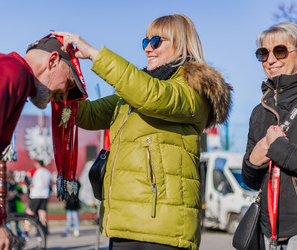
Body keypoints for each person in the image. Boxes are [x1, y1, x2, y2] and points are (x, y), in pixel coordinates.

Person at [52, 13, 232, 250]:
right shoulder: (134, 90)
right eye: (144, 42)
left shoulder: (194, 89)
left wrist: (94, 54)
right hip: (124, 223)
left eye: (156, 41)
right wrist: (62, 82)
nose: (148, 49)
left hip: (163, 229)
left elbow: (151, 96)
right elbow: (89, 114)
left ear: (182, 44)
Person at [0, 36, 86, 250]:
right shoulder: (12, 72)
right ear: (53, 61)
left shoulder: (11, 74)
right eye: (67, 83)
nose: (64, 96)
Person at [242, 22, 297, 249]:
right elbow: (250, 180)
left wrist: (277, 148)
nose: (271, 59)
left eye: (280, 51)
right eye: (263, 53)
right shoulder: (259, 111)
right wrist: (254, 160)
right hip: (269, 233)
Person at [25, 160, 52, 235]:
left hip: (36, 194)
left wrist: (29, 184)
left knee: (29, 212)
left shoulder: (35, 170)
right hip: (45, 194)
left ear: (37, 164)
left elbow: (27, 175)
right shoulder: (47, 172)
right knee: (42, 213)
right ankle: (43, 231)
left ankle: (26, 231)